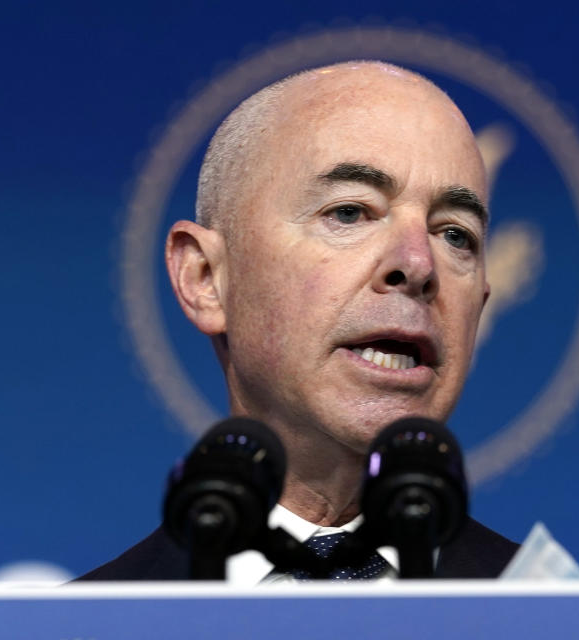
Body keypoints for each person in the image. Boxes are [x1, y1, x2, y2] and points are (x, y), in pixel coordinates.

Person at [82, 60, 518, 582]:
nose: (419, 264)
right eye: (350, 212)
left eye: (455, 234)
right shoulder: (76, 628)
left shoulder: (576, 622)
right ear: (205, 278)